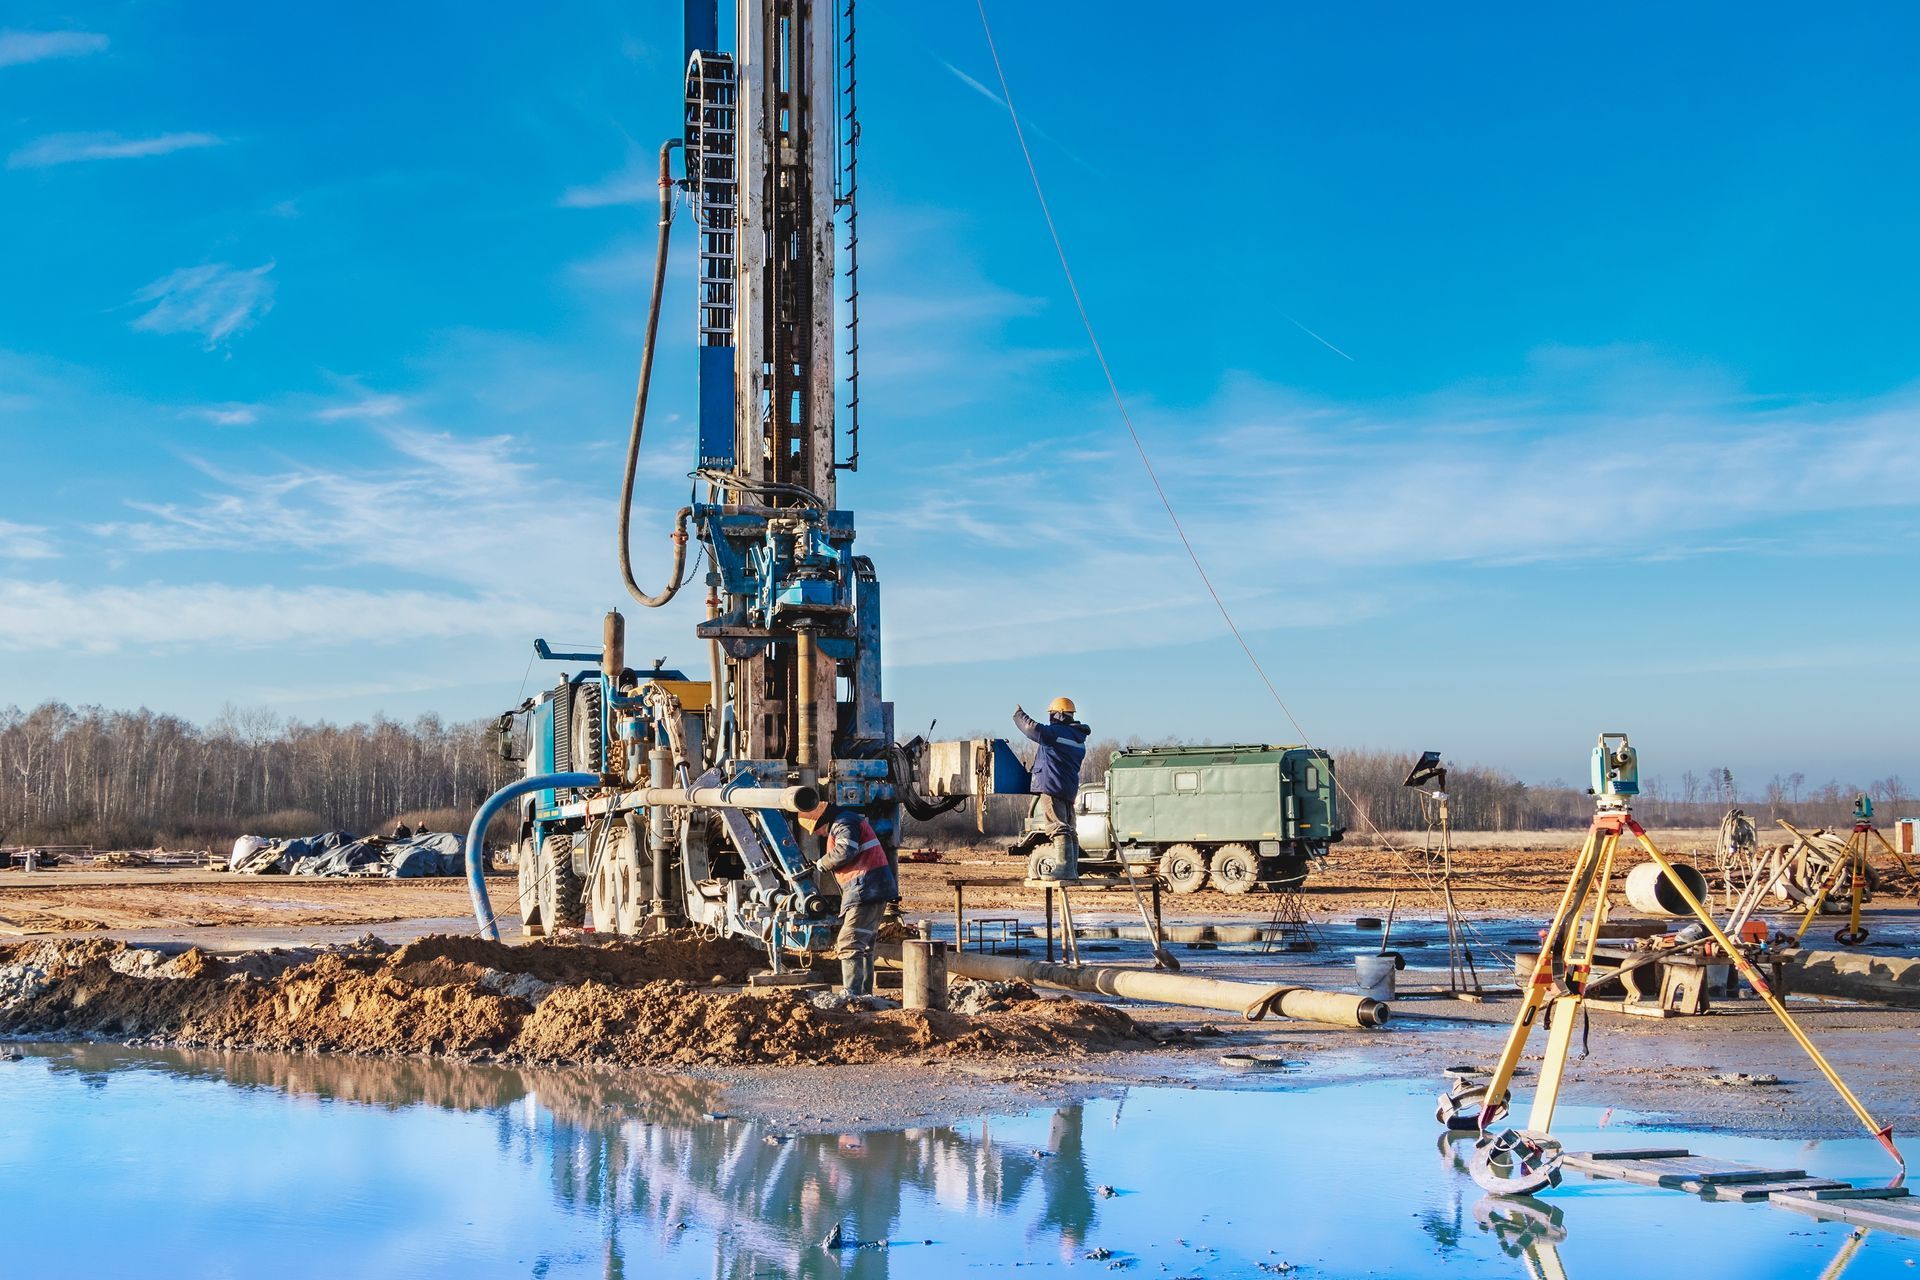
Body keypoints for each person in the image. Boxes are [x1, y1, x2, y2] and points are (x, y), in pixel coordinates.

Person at [798, 797, 898, 997]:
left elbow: (846, 850)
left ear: (821, 821)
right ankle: (863, 995)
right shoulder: (847, 820)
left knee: (849, 941)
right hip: (874, 886)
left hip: (865, 887)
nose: (817, 833)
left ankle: (852, 994)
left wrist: (821, 863)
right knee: (865, 944)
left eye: (816, 829)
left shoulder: (844, 822)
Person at [1014, 697, 1090, 859]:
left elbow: (1031, 729)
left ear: (1059, 714)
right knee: (1069, 829)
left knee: (1057, 828)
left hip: (1052, 786)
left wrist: (1019, 714)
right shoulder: (1078, 739)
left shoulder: (1055, 734)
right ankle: (1071, 869)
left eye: (1052, 713)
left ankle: (1064, 869)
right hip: (1068, 790)